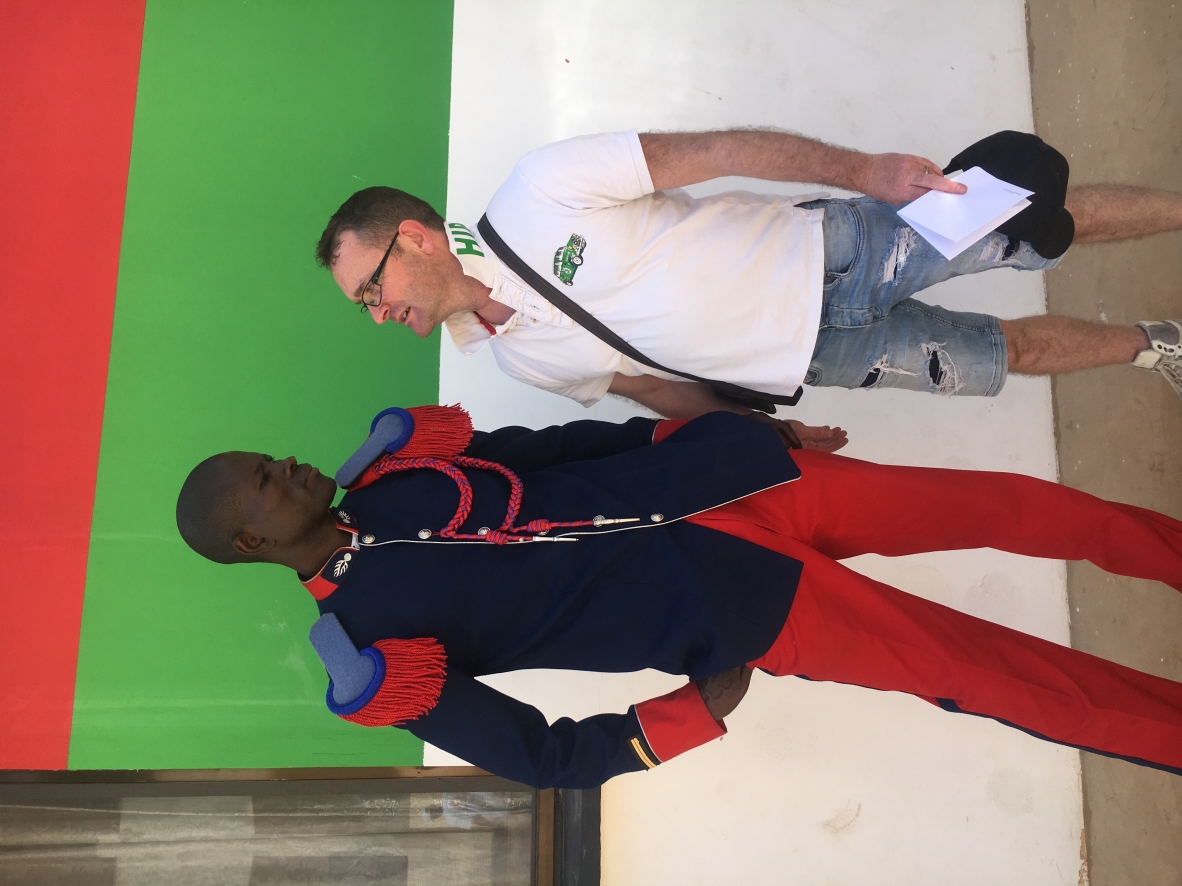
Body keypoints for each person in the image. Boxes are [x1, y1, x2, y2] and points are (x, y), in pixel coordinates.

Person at [176, 406, 1182, 789]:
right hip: (739, 607)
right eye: (265, 479)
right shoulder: (369, 652)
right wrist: (681, 718)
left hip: (739, 484)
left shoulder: (398, 467)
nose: (288, 463)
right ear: (252, 540)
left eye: (270, 455)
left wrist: (709, 431)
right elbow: (540, 757)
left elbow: (564, 447)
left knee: (1016, 504)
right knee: (992, 673)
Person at [316, 129, 1182, 431]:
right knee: (1005, 353)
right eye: (364, 307)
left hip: (832, 251)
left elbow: (720, 150)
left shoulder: (536, 190)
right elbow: (655, 390)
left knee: (1028, 219)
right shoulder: (516, 358)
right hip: (825, 360)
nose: (377, 312)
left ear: (414, 239)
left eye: (369, 290)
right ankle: (1158, 345)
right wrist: (768, 438)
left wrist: (866, 172)